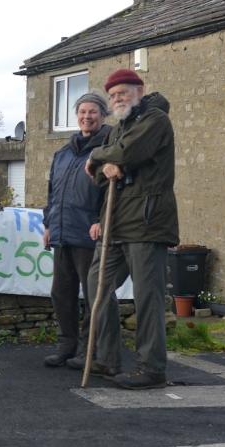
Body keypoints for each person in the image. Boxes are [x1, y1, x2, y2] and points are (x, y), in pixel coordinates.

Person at [83, 69, 179, 389]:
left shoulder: (155, 120)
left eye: (122, 92)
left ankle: (152, 368)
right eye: (112, 95)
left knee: (147, 297)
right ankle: (107, 358)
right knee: (97, 284)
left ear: (140, 90)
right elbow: (98, 176)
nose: (116, 99)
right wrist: (105, 164)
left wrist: (98, 155)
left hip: (147, 222)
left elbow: (127, 154)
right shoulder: (117, 128)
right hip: (117, 223)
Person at [41, 92, 112, 369]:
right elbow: (52, 192)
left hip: (90, 233)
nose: (87, 117)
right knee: (61, 293)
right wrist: (48, 224)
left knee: (93, 295)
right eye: (82, 112)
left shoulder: (108, 147)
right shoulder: (63, 152)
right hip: (61, 232)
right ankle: (66, 345)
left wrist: (102, 220)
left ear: (103, 115)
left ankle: (91, 350)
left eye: (92, 112)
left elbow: (112, 192)